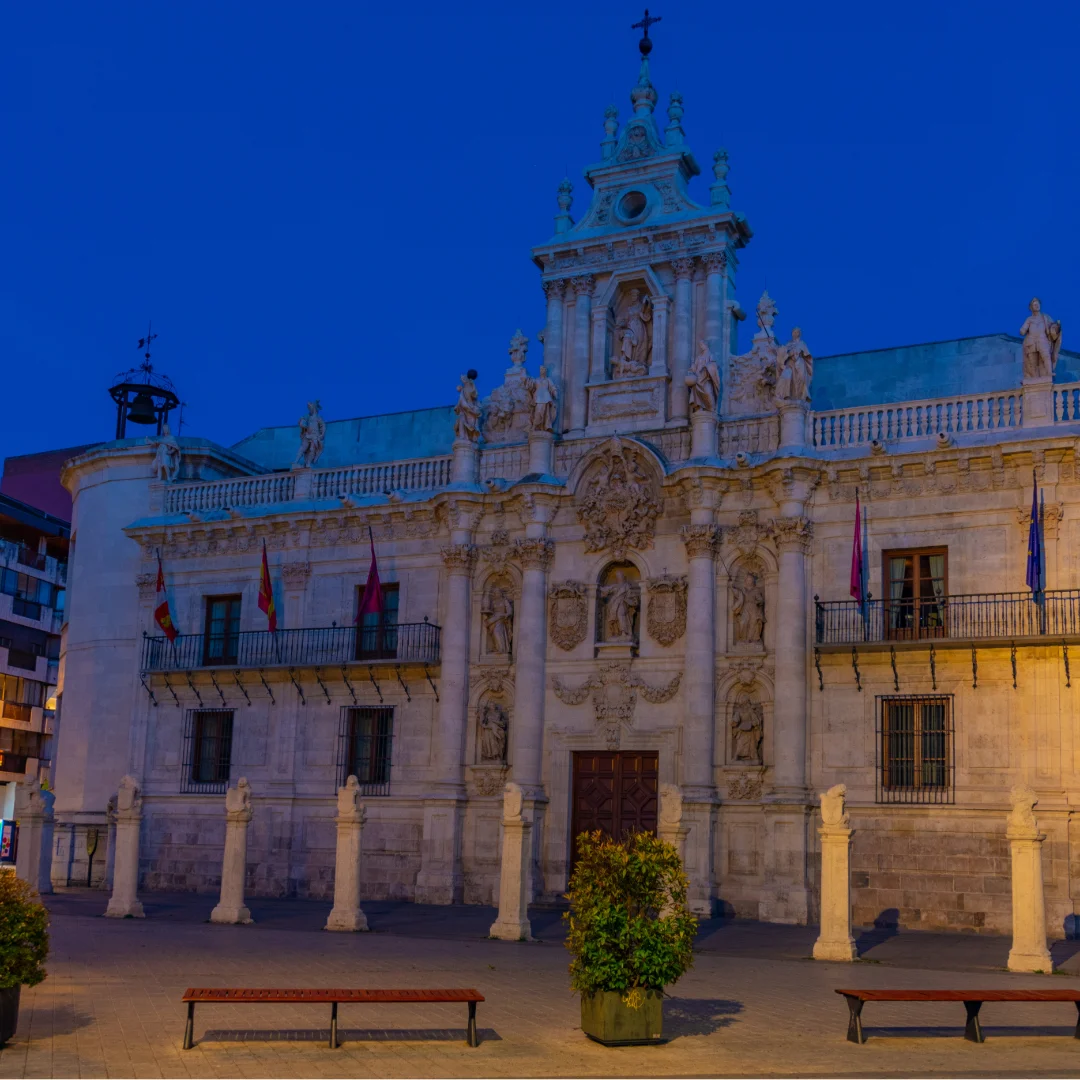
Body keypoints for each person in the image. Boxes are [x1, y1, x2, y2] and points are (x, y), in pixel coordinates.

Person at [1020, 298, 1062, 380]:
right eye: (1035, 305)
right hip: (1031, 341)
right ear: (1031, 308)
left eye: (1038, 304)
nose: (1037, 306)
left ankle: (1049, 372)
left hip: (1042, 340)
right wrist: (1022, 330)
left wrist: (1056, 327)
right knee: (1032, 361)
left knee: (1046, 356)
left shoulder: (1045, 317)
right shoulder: (1029, 319)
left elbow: (1053, 329)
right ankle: (1034, 378)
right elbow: (1023, 330)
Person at [685, 340, 720, 413]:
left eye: (702, 345)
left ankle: (712, 409)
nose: (701, 347)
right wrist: (692, 369)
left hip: (706, 377)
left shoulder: (710, 355)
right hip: (698, 377)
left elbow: (714, 365)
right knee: (697, 393)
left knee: (708, 392)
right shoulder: (699, 357)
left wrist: (706, 366)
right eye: (700, 345)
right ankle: (699, 407)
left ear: (706, 345)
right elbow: (695, 366)